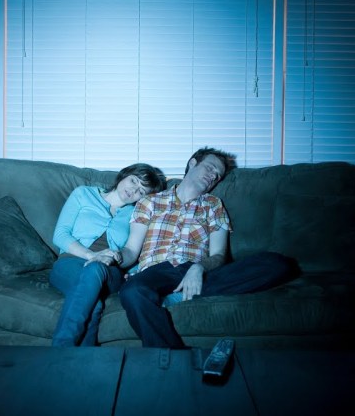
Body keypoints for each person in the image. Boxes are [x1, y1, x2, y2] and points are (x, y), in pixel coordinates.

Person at [117, 147, 297, 348]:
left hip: (198, 274)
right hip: (156, 272)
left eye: (217, 176)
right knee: (132, 291)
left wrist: (199, 267)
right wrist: (113, 256)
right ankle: (177, 356)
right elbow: (131, 250)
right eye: (210, 168)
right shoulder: (150, 201)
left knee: (277, 264)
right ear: (192, 163)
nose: (213, 176)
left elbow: (219, 255)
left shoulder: (214, 205)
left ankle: (171, 298)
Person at [49, 163, 167, 347]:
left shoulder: (137, 214)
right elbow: (60, 235)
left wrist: (115, 257)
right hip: (69, 263)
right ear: (123, 175)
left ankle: (59, 351)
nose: (134, 190)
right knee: (93, 304)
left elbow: (133, 251)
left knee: (96, 269)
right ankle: (82, 361)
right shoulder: (83, 194)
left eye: (141, 191)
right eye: (134, 181)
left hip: (109, 272)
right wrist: (92, 255)